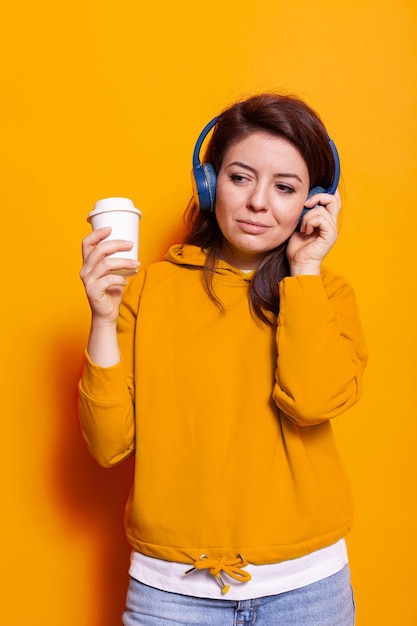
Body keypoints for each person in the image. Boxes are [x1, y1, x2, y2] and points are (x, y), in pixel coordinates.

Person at [78, 93, 367, 625]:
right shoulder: (147, 290)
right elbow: (107, 446)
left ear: (314, 202)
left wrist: (303, 273)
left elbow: (312, 401)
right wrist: (102, 317)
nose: (259, 202)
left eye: (285, 188)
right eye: (240, 178)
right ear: (209, 184)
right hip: (170, 592)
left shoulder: (327, 295)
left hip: (307, 589)